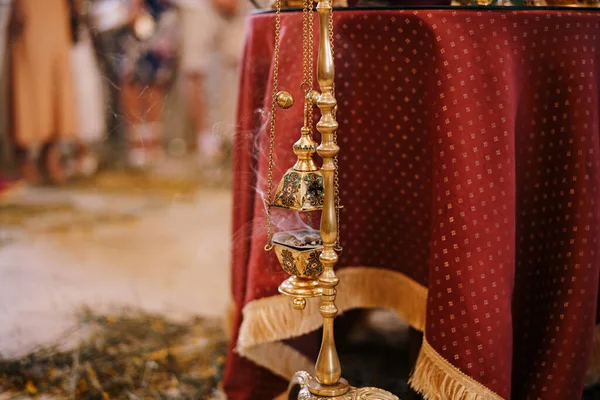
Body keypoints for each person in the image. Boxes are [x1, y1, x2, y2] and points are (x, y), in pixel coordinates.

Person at [8, 0, 78, 184]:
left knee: (56, 74)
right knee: (28, 73)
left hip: (57, 8)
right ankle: (23, 155)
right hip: (31, 6)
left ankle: (50, 153)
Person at [177, 0, 246, 166]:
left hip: (234, 8)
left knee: (239, 62)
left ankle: (230, 135)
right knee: (196, 71)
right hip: (198, 5)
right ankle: (205, 139)